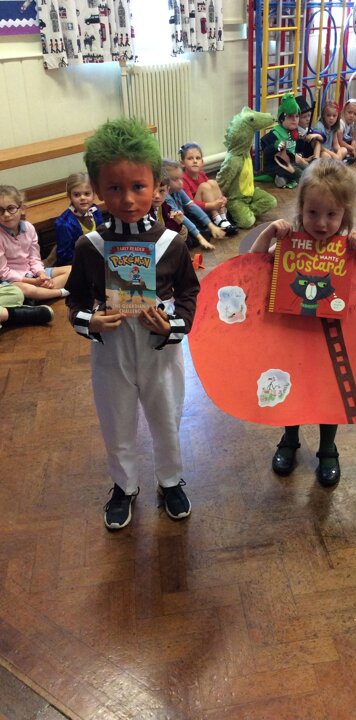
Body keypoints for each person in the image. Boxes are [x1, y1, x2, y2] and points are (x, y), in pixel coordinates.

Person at [65, 117, 200, 530]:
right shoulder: (89, 247)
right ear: (97, 189)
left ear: (156, 186)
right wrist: (91, 320)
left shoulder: (172, 243)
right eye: (114, 188)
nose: (126, 199)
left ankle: (170, 480)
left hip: (159, 347)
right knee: (116, 421)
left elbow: (189, 294)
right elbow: (74, 299)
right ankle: (124, 486)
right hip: (112, 350)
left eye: (138, 187)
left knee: (167, 419)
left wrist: (172, 326)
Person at [249, 159, 356, 487]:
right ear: (301, 208)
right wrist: (269, 233)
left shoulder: (350, 250)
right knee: (290, 388)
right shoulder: (288, 244)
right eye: (312, 212)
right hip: (292, 337)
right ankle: (289, 440)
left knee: (330, 394)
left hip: (333, 340)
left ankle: (328, 449)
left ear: (345, 214)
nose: (321, 223)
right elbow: (250, 268)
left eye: (331, 214)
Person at [0, 185, 71, 302]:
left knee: (71, 269)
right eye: (0, 210)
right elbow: (4, 273)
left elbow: (34, 258)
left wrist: (42, 274)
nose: (6, 214)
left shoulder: (29, 227)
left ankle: (42, 293)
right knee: (26, 289)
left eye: (11, 208)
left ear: (22, 208)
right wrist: (32, 281)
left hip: (33, 274)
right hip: (14, 280)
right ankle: (58, 292)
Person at [163, 159, 225, 250]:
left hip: (182, 220)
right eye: (175, 179)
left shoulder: (178, 190)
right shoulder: (166, 197)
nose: (181, 182)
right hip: (173, 226)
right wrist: (200, 238)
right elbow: (181, 218)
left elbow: (191, 206)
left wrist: (211, 226)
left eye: (181, 178)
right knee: (191, 240)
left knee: (203, 231)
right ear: (165, 181)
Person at [179, 142, 238, 234]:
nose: (195, 161)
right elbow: (189, 203)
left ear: (202, 162)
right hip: (194, 212)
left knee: (212, 182)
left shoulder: (201, 174)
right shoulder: (183, 179)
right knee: (204, 186)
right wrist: (212, 205)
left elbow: (212, 190)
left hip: (208, 208)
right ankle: (217, 219)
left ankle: (223, 217)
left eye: (198, 158)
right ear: (182, 163)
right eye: (190, 158)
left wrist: (222, 199)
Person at [54, 172, 104, 265]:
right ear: (70, 196)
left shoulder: (95, 211)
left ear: (94, 194)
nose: (82, 198)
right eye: (77, 195)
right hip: (78, 263)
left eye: (87, 194)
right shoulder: (64, 224)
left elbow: (102, 236)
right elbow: (64, 257)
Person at [261, 92, 303, 188]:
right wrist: (276, 145)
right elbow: (266, 152)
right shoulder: (275, 133)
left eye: (297, 116)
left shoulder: (293, 131)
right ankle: (280, 177)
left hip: (289, 162)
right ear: (281, 118)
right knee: (301, 174)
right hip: (275, 166)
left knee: (306, 168)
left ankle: (284, 178)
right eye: (290, 116)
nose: (294, 119)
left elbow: (293, 150)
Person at [294, 95, 324, 167]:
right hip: (301, 160)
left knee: (317, 140)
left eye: (309, 115)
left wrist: (316, 135)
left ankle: (316, 160)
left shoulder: (309, 129)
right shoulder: (294, 133)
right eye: (304, 117)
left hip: (311, 157)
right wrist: (306, 160)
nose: (308, 119)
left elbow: (322, 138)